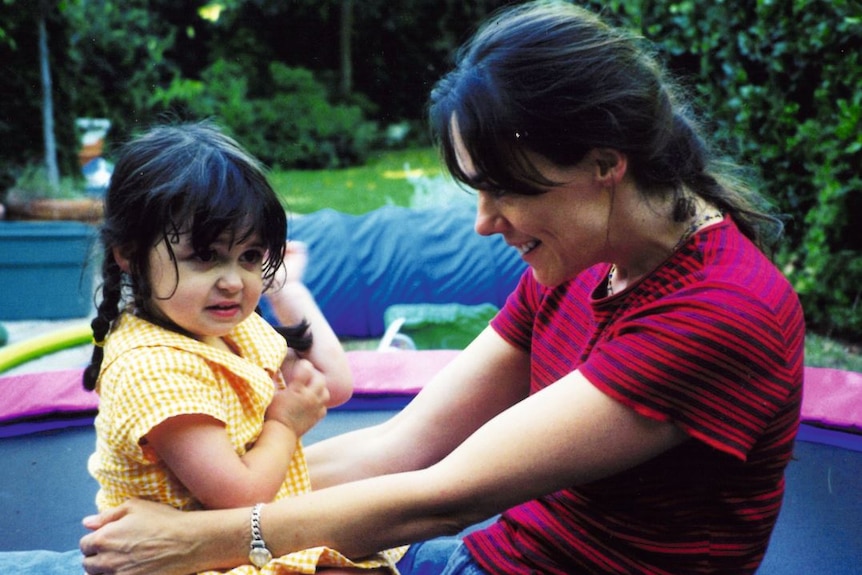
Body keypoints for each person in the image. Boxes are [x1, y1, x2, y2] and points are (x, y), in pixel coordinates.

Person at [79, 3, 804, 574]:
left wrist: (195, 541)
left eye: (499, 191)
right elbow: (407, 444)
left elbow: (446, 495)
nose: (485, 223)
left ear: (604, 164)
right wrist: (178, 500)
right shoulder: (585, 257)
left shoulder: (717, 312)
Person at [82, 122, 405, 574]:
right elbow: (240, 493)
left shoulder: (225, 327)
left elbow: (331, 384)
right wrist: (286, 424)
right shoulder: (151, 368)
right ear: (130, 254)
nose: (233, 281)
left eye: (250, 257)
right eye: (205, 256)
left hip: (237, 538)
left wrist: (289, 292)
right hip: (183, 558)